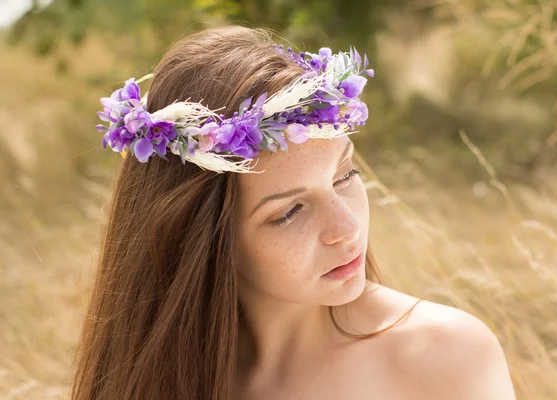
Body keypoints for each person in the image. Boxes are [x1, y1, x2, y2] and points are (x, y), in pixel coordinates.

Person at [71, 25, 516, 400]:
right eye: (289, 212)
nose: (346, 228)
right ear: (201, 238)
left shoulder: (446, 360)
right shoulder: (151, 378)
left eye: (345, 175)